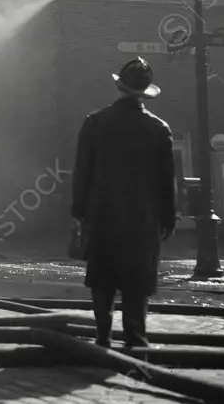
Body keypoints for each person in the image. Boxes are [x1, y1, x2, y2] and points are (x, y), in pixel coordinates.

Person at [72, 57, 177, 349]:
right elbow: (167, 182)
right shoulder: (159, 129)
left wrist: (79, 211)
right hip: (143, 219)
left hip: (102, 215)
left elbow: (82, 172)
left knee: (102, 278)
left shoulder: (95, 123)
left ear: (119, 87)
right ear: (144, 93)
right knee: (136, 280)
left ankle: (103, 336)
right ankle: (135, 338)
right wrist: (168, 218)